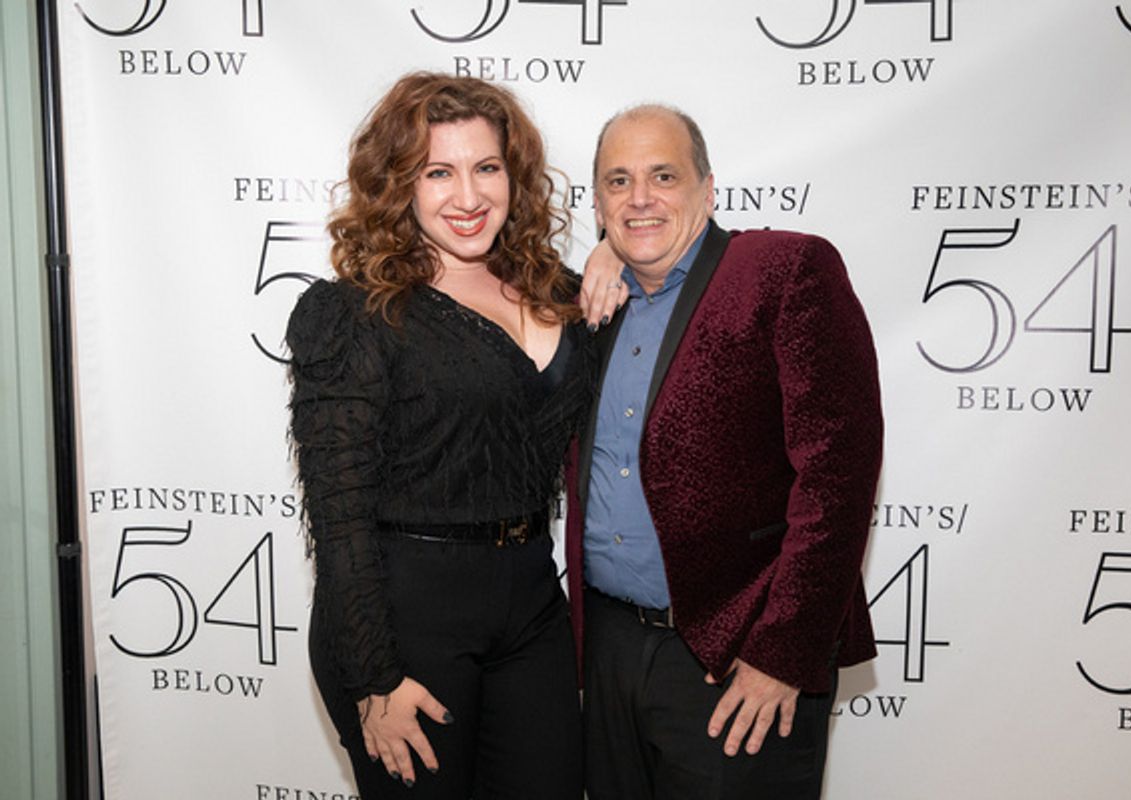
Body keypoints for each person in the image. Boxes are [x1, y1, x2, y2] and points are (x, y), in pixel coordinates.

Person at [287, 72, 598, 799]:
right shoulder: (357, 313)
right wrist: (374, 677)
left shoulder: (562, 293)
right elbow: (338, 514)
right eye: (438, 172)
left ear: (513, 176)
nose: (468, 196)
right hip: (405, 621)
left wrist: (614, 254)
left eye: (486, 167)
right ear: (399, 183)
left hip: (531, 609)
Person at [566, 104, 884, 799]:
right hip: (609, 649)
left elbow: (838, 476)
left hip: (738, 654)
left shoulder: (784, 270)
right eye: (618, 181)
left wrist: (783, 653)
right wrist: (606, 251)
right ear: (597, 203)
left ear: (708, 190)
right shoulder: (590, 305)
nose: (640, 198)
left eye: (663, 176)